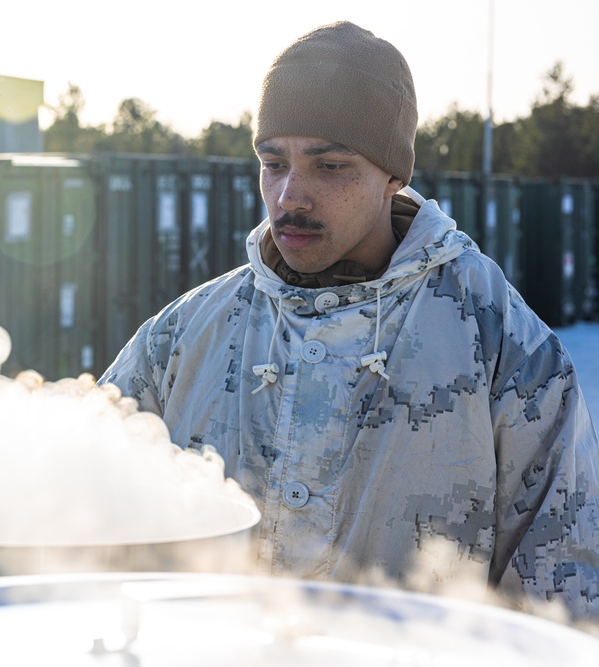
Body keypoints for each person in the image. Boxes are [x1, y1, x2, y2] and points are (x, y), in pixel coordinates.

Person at [98, 21, 599, 620]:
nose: (290, 197)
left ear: (393, 174)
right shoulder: (183, 336)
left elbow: (561, 594)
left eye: (329, 166)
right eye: (273, 162)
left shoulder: (498, 343)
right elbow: (79, 518)